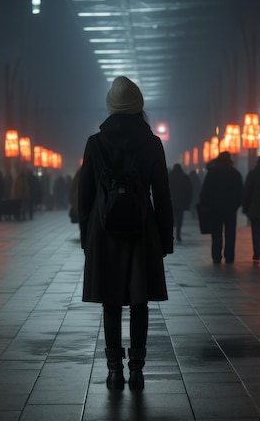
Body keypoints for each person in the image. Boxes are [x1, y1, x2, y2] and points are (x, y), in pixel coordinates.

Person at [78, 76, 173, 391]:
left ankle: (113, 370)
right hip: (141, 229)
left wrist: (86, 239)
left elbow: (85, 197)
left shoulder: (95, 142)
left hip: (104, 232)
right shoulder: (152, 143)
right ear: (138, 108)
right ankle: (137, 371)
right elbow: (162, 195)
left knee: (111, 302)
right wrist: (165, 238)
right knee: (139, 301)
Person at [198, 152, 243, 263]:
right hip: (230, 208)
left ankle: (216, 255)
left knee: (216, 233)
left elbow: (205, 191)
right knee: (230, 233)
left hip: (214, 208)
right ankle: (229, 255)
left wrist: (205, 204)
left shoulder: (212, 173)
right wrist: (236, 205)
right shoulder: (235, 173)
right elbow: (240, 192)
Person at [169, 163, 193, 242]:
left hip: (172, 201)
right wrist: (188, 201)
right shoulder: (185, 177)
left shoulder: (170, 177)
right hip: (181, 202)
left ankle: (170, 233)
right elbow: (189, 191)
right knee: (180, 218)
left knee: (171, 218)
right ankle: (178, 234)